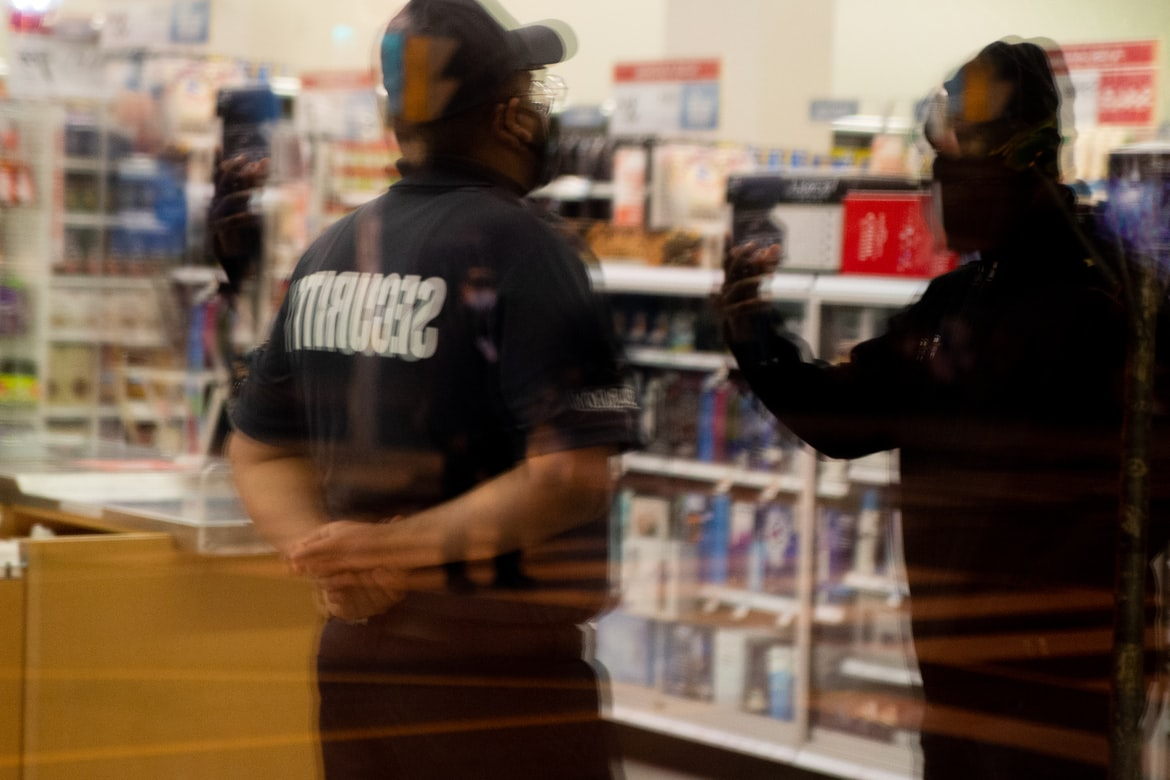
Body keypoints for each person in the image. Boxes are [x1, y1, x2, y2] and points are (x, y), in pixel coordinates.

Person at [718, 39, 1169, 780]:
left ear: (1014, 164)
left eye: (952, 165)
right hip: (969, 686)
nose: (936, 186)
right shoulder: (967, 299)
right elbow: (848, 417)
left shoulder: (1114, 304)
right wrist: (753, 333)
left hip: (1059, 704)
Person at [225, 1, 638, 777]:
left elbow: (258, 450)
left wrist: (334, 563)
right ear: (511, 116)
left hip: (357, 665)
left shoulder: (332, 251)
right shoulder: (528, 250)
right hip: (497, 680)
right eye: (534, 90)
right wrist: (382, 552)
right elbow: (570, 477)